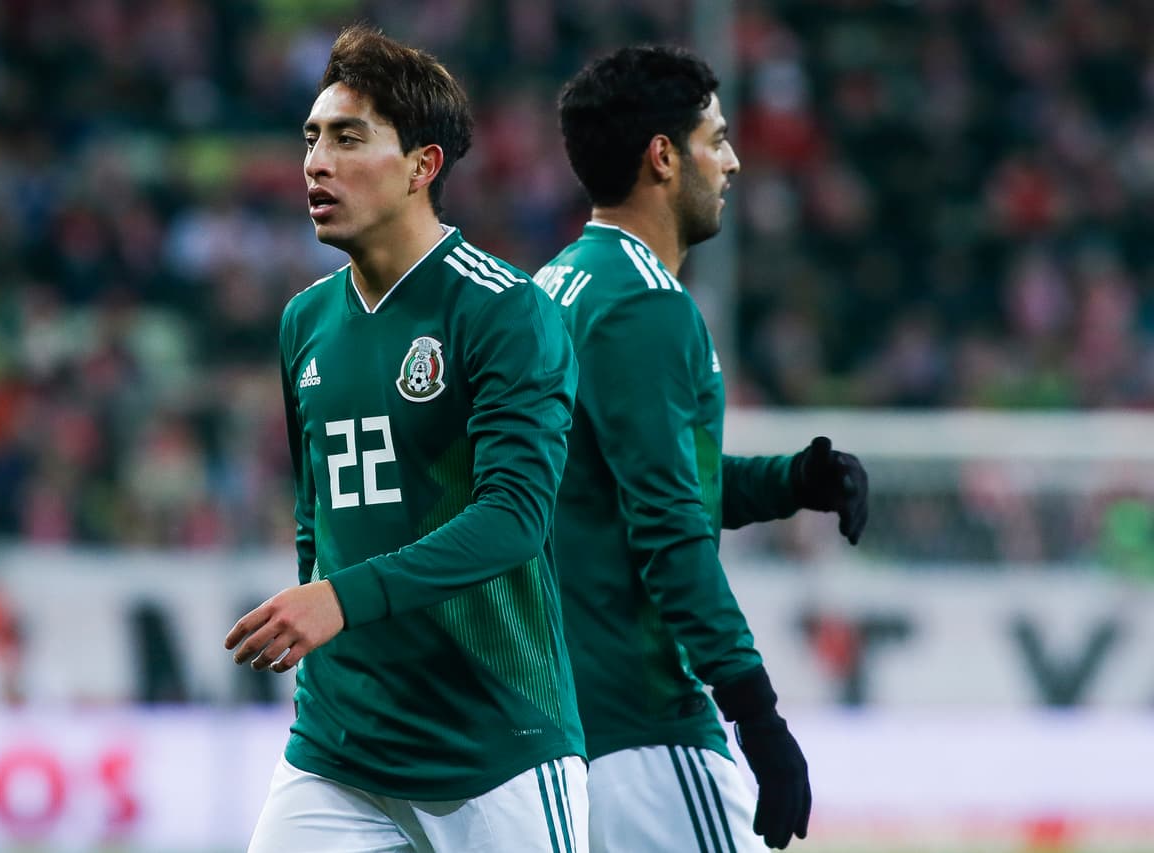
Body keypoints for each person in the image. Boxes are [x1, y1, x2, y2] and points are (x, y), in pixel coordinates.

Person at [225, 25, 586, 853]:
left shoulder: (505, 310)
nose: (317, 161)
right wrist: (324, 610)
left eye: (349, 138)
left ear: (423, 166)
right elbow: (317, 510)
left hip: (494, 746)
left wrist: (340, 599)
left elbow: (515, 515)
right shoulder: (305, 323)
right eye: (311, 137)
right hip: (338, 749)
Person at [537, 45, 869, 852]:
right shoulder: (644, 306)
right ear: (662, 156)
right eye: (715, 138)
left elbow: (624, 481)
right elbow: (668, 531)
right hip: (642, 722)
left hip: (559, 721)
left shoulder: (556, 286)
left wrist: (793, 480)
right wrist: (757, 715)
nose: (732, 159)